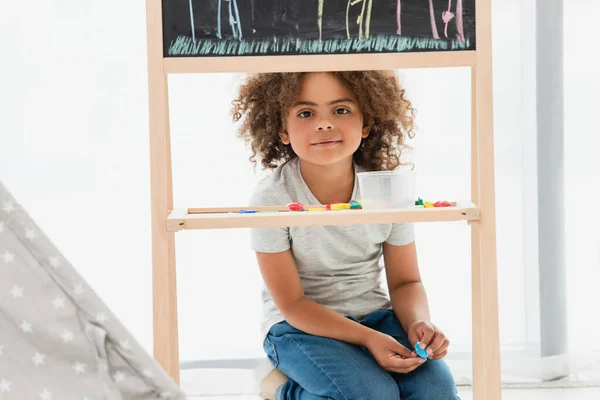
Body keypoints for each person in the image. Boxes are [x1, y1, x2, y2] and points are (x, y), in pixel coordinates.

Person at [232, 71, 459, 400]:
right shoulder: (271, 198)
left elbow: (405, 282)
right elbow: (292, 304)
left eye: (340, 110)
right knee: (372, 394)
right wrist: (367, 339)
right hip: (298, 326)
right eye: (306, 113)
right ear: (282, 130)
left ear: (366, 123)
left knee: (435, 390)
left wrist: (417, 324)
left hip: (376, 316)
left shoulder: (387, 191)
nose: (324, 124)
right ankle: (282, 388)